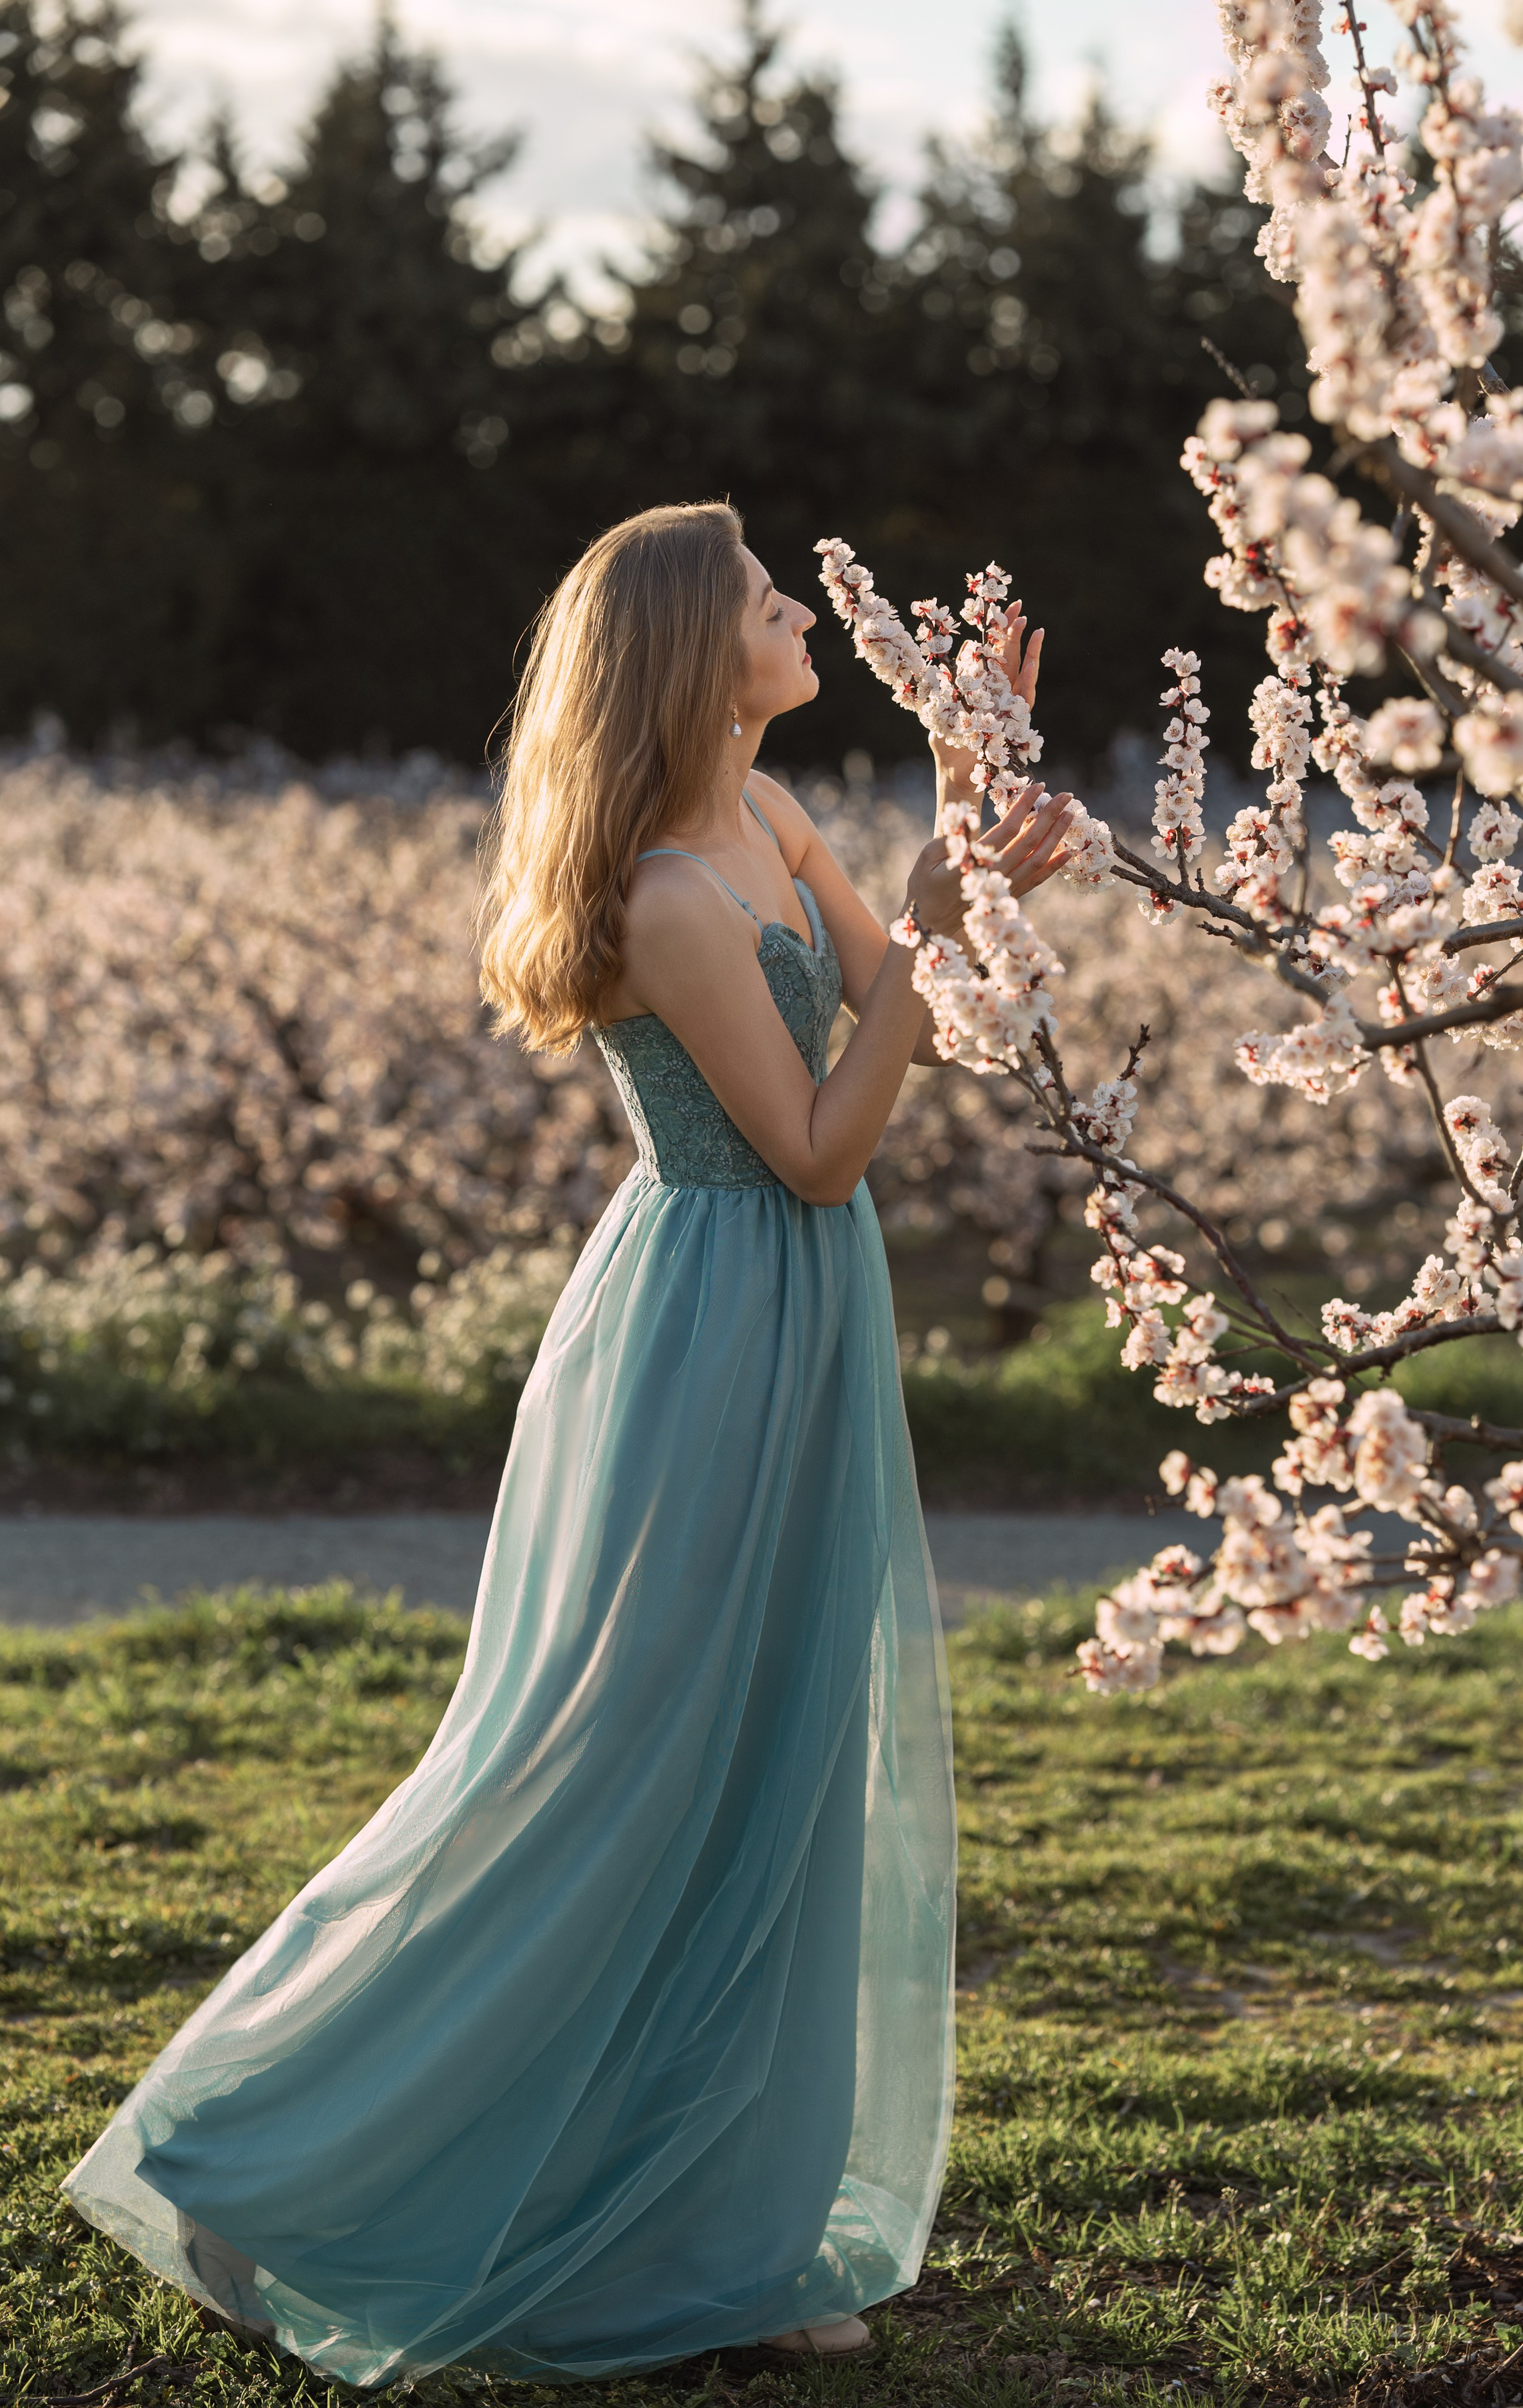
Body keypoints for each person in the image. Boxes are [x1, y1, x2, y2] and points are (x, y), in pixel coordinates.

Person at [61, 500, 1079, 2385]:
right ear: (699, 653)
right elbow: (820, 1146)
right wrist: (931, 927)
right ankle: (252, 2152)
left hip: (809, 1317)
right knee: (613, 1764)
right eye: (775, 601)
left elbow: (915, 1018)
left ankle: (729, 2233)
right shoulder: (668, 898)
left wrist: (967, 822)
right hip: (710, 1329)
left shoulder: (770, 823)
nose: (804, 618)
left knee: (774, 1759)